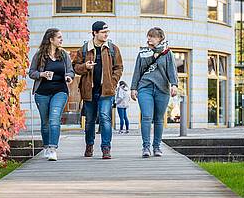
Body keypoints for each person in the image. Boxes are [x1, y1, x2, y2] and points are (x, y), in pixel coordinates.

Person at [72, 21, 123, 159]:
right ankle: (89, 145)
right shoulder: (84, 49)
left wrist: (112, 83)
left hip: (106, 91)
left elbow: (119, 68)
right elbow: (75, 67)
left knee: (105, 119)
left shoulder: (113, 49)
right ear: (94, 33)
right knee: (89, 121)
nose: (106, 34)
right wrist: (85, 67)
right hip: (89, 91)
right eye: (103, 32)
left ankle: (106, 148)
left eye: (107, 32)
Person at [131, 27, 178, 158]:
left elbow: (172, 71)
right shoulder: (143, 52)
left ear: (160, 38)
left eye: (152, 36)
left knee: (158, 119)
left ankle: (156, 147)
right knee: (146, 117)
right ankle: (146, 147)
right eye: (149, 36)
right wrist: (133, 88)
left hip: (162, 89)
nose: (149, 38)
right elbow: (137, 71)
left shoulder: (168, 53)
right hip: (145, 88)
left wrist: (174, 85)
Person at [28, 28, 74, 161]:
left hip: (60, 91)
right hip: (42, 93)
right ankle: (46, 146)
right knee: (45, 122)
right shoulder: (39, 55)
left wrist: (68, 77)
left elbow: (71, 71)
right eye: (59, 37)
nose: (61, 39)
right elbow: (32, 72)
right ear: (51, 39)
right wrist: (42, 74)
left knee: (54, 119)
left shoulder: (64, 55)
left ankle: (53, 149)